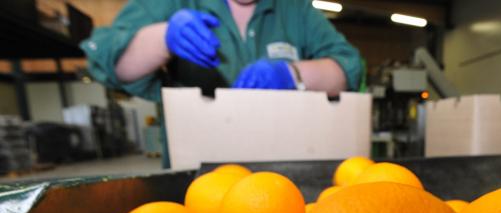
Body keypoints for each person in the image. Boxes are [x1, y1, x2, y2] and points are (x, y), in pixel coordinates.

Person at [81, 0, 362, 101]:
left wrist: (293, 74)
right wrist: (164, 37)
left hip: (281, 167)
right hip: (199, 169)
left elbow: (348, 68)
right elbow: (109, 62)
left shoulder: (295, 7)